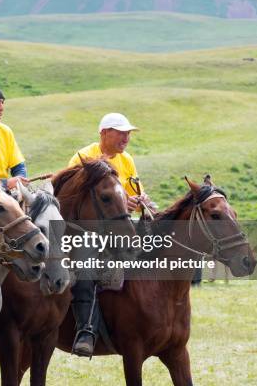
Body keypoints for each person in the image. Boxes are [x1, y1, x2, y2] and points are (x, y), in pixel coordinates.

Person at [67, 112, 153, 357]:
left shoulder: (127, 160)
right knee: (86, 268)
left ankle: (146, 324)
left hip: (120, 227)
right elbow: (74, 200)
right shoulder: (83, 158)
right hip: (87, 230)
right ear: (104, 133)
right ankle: (86, 331)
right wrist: (121, 204)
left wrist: (138, 201)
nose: (126, 137)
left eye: (128, 133)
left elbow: (133, 194)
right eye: (120, 132)